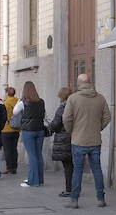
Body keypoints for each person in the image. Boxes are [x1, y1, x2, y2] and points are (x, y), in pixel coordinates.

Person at [62, 73, 112, 208]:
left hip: (78, 140)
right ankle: (101, 198)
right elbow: (107, 117)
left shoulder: (73, 99)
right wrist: (98, 127)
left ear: (79, 84)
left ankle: (74, 200)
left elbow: (66, 119)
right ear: (90, 82)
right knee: (96, 168)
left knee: (77, 169)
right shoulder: (100, 98)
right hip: (95, 139)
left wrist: (71, 130)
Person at [18, 81, 47, 188]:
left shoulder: (23, 102)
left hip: (28, 131)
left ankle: (33, 181)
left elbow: (16, 112)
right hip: (40, 130)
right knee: (38, 155)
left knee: (32, 156)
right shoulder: (41, 102)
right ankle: (39, 179)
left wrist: (19, 100)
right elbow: (44, 114)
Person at [48, 87, 74, 196]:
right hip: (76, 137)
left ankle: (69, 189)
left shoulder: (62, 108)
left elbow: (55, 124)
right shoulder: (75, 106)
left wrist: (49, 127)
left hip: (64, 139)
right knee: (75, 164)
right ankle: (75, 187)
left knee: (68, 166)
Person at [2, 85, 21, 176]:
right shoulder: (18, 102)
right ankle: (14, 167)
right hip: (17, 129)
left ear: (7, 93)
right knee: (14, 148)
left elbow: (3, 116)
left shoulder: (6, 103)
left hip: (6, 128)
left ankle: (9, 167)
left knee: (7, 150)